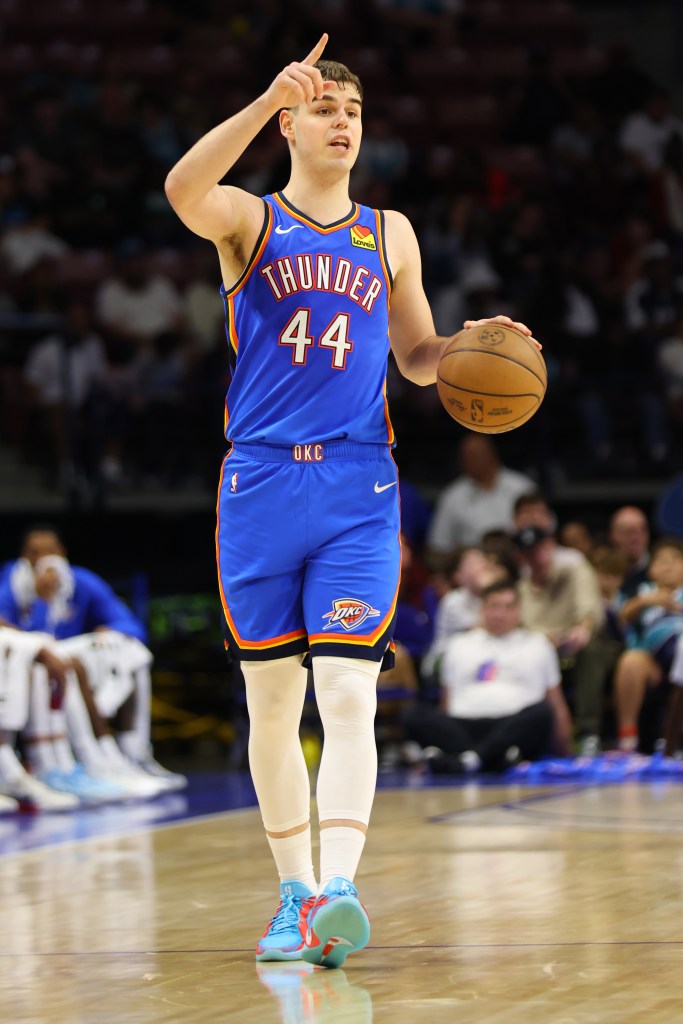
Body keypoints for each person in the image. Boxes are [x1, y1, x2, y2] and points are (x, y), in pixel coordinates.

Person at [164, 34, 538, 968]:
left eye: (354, 113)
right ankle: (291, 898)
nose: (343, 124)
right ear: (292, 124)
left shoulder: (390, 231)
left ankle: (338, 887)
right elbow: (180, 191)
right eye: (325, 110)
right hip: (257, 481)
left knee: (346, 689)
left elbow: (415, 357)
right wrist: (260, 101)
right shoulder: (249, 221)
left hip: (358, 482)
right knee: (270, 701)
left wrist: (470, 341)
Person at [0, 526, 185, 793]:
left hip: (64, 653)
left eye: (50, 551)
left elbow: (131, 625)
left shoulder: (80, 581)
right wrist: (42, 601)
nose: (43, 558)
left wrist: (112, 630)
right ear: (24, 557)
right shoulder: (12, 583)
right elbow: (20, 636)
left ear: (62, 553)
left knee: (135, 654)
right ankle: (74, 761)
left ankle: (134, 752)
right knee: (64, 666)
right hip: (35, 658)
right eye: (35, 552)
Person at [402, 579, 572, 773]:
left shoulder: (538, 645)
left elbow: (556, 703)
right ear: (483, 609)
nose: (500, 614)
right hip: (464, 724)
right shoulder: (458, 644)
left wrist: (565, 753)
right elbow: (446, 702)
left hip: (513, 724)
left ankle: (465, 757)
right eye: (494, 606)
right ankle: (489, 757)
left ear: (518, 611)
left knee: (542, 712)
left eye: (508, 607)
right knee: (413, 714)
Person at [513, 525, 609, 756]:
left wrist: (582, 628)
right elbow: (521, 629)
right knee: (521, 656)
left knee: (590, 648)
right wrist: (547, 639)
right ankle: (526, 738)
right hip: (543, 652)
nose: (538, 556)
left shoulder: (575, 570)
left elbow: (591, 612)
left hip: (579, 646)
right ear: (522, 557)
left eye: (542, 548)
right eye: (530, 552)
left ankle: (588, 734)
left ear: (552, 547)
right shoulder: (520, 590)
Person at [614, 537, 683, 753]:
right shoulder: (644, 592)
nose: (667, 565)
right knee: (630, 662)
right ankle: (628, 741)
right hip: (654, 661)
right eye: (661, 561)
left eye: (674, 559)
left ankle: (671, 742)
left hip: (680, 651)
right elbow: (622, 617)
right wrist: (647, 601)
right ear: (651, 569)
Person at [426, 434, 536, 566]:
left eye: (477, 455)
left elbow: (549, 528)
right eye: (466, 457)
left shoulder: (522, 487)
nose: (472, 460)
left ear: (493, 454)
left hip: (524, 564)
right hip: (475, 571)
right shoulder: (452, 497)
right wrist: (466, 553)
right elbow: (436, 550)